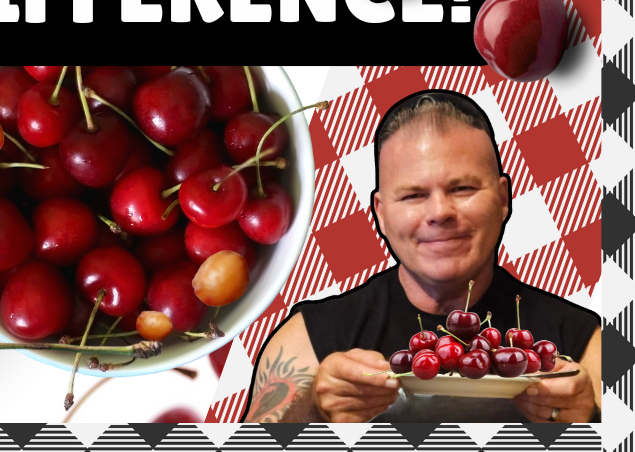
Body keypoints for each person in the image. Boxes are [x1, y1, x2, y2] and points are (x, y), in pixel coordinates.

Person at [242, 91, 601, 423]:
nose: (440, 211)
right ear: (380, 213)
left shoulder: (584, 345)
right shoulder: (312, 337)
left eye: (463, 188)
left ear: (504, 198)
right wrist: (314, 411)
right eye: (413, 195)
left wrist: (594, 420)